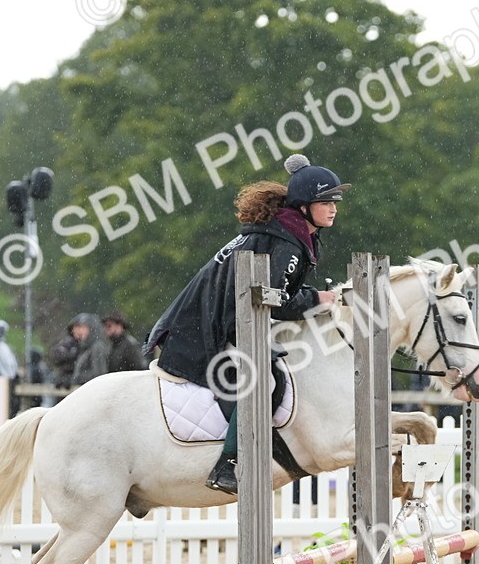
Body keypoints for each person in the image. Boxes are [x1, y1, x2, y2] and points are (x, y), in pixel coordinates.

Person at [143, 153, 346, 495]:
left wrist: (315, 296)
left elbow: (277, 289)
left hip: (221, 320)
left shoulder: (289, 233)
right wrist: (317, 300)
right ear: (303, 206)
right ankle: (230, 463)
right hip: (201, 332)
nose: (333, 208)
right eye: (324, 201)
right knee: (261, 378)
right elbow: (273, 299)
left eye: (335, 201)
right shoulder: (286, 241)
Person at [70, 313, 110, 385]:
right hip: (86, 390)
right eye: (80, 327)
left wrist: (78, 378)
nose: (81, 331)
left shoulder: (97, 346)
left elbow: (99, 375)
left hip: (94, 391)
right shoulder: (85, 347)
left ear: (92, 329)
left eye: (84, 328)